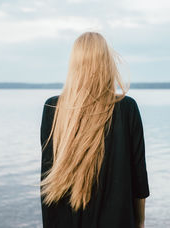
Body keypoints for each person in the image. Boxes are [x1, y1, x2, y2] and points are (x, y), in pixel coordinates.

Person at [40, 31, 150, 228]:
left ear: (74, 65)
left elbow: (47, 185)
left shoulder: (54, 110)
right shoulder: (127, 108)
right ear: (107, 63)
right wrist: (140, 222)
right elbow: (139, 180)